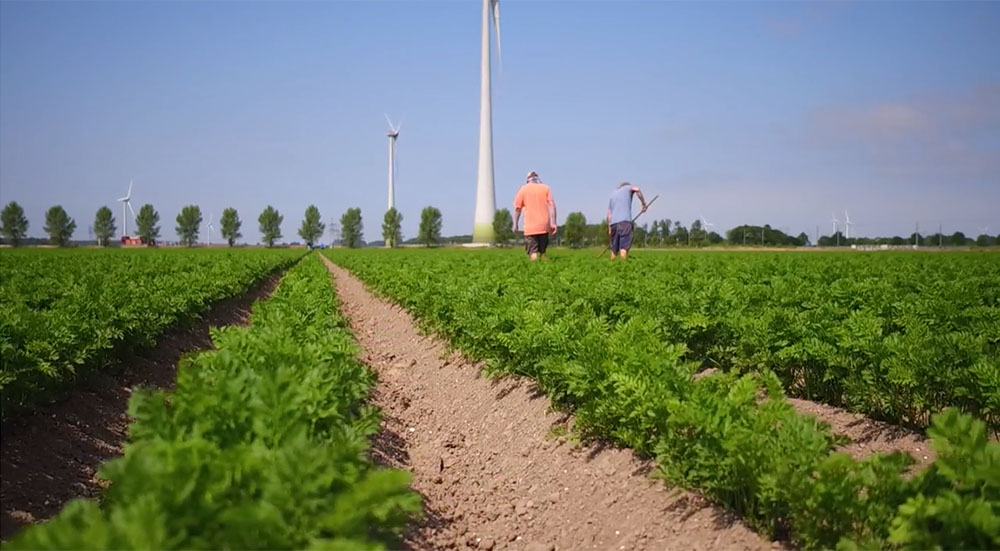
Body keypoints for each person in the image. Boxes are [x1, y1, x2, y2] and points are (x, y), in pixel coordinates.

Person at [513, 171, 557, 260]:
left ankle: (534, 269)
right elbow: (552, 205)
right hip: (544, 226)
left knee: (533, 253)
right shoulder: (545, 188)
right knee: (543, 253)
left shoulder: (523, 189)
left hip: (530, 227)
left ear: (527, 179)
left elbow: (517, 209)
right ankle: (545, 271)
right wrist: (553, 222)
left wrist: (515, 224)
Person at [606, 181, 648, 260]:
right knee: (623, 248)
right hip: (625, 222)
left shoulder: (613, 195)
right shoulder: (627, 187)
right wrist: (643, 204)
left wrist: (609, 228)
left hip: (614, 224)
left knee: (614, 249)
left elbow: (608, 214)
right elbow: (637, 189)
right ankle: (622, 266)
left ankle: (611, 266)